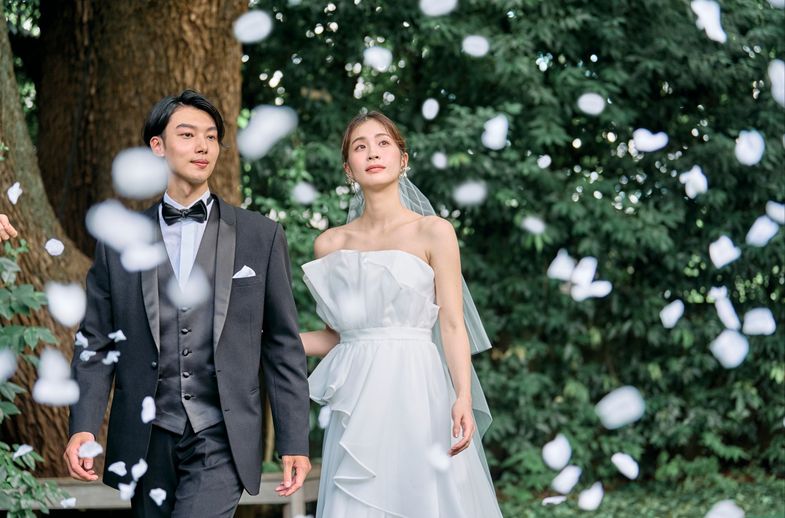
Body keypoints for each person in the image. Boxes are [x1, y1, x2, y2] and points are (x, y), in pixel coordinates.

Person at [63, 90, 311, 517]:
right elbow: (97, 343)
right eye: (188, 134)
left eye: (211, 137)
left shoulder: (261, 236)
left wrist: (293, 440)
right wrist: (83, 426)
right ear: (157, 146)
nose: (203, 146)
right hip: (146, 435)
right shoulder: (117, 242)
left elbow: (282, 344)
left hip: (222, 434)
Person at [300, 111, 503, 517]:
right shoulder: (329, 244)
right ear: (348, 168)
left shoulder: (434, 231)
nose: (373, 153)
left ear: (402, 159)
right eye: (360, 147)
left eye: (383, 143)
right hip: (358, 396)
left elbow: (452, 324)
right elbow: (335, 336)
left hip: (418, 387)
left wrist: (462, 396)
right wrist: (263, 339)